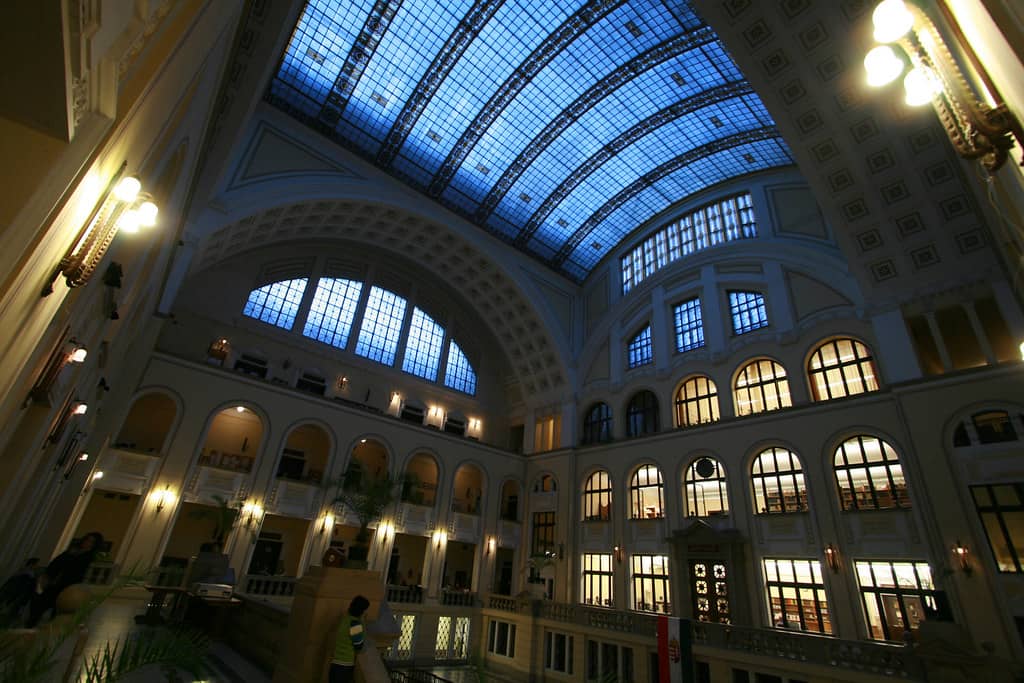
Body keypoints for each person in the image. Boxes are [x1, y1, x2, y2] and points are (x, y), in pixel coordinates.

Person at [26, 532, 104, 627]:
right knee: (40, 604)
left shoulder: (88, 556)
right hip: (54, 581)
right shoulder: (73, 550)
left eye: (91, 542)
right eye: (87, 540)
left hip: (67, 585)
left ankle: (49, 627)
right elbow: (57, 562)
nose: (88, 543)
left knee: (58, 608)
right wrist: (48, 575)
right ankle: (31, 624)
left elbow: (76, 570)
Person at [330, 595, 369, 683]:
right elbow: (359, 646)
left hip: (335, 663)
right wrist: (363, 623)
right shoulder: (355, 624)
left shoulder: (345, 619)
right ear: (362, 611)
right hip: (345, 665)